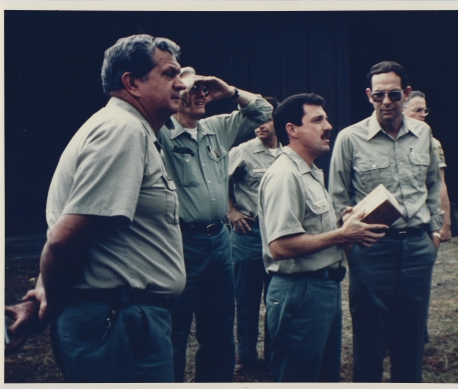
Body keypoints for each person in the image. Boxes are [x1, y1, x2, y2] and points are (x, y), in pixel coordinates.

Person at [4, 34, 188, 382]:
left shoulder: (128, 129)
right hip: (119, 322)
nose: (181, 83)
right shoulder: (123, 131)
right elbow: (64, 240)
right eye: (169, 74)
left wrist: (41, 295)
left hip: (121, 317)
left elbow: (82, 237)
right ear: (132, 82)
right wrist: (52, 302)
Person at [258, 93, 387, 382]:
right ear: (292, 130)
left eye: (326, 118)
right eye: (317, 120)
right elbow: (279, 246)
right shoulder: (285, 175)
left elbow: (311, 229)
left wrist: (345, 224)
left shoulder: (310, 172)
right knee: (300, 377)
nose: (328, 125)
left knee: (325, 377)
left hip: (321, 290)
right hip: (300, 293)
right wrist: (341, 234)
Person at [329, 61, 443, 382]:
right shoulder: (349, 139)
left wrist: (434, 231)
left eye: (394, 94)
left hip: (418, 247)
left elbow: (433, 184)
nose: (387, 102)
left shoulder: (423, 133)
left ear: (406, 94)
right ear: (369, 95)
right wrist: (353, 249)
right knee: (369, 338)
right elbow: (337, 199)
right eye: (379, 95)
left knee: (411, 337)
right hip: (373, 250)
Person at [157, 67, 272, 382]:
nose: (198, 95)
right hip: (182, 242)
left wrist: (227, 91)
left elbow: (263, 110)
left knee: (220, 325)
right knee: (175, 326)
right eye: (190, 89)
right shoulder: (161, 131)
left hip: (219, 241)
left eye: (201, 90)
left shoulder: (216, 128)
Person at [227, 96, 280, 373]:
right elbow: (220, 179)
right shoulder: (243, 151)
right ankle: (245, 356)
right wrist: (232, 211)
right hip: (249, 232)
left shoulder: (288, 153)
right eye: (256, 120)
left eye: (266, 119)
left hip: (279, 235)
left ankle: (274, 357)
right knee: (246, 298)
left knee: (276, 297)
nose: (260, 125)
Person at [403, 90, 458, 241]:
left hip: (423, 218)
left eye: (425, 110)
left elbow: (440, 184)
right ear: (402, 110)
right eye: (417, 110)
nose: (423, 114)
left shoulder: (431, 142)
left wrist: (446, 222)